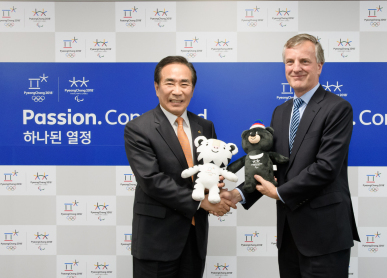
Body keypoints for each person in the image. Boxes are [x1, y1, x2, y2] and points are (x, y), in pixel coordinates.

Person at [222, 34, 360, 277]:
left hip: (325, 235)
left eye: (304, 61)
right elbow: (270, 167)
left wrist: (280, 192)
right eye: (290, 62)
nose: (296, 68)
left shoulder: (338, 108)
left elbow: (326, 167)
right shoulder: (281, 112)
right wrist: (239, 193)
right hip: (289, 235)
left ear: (319, 66)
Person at [124, 56, 236, 278]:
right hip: (156, 241)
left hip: (194, 239)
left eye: (184, 84)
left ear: (192, 89)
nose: (177, 91)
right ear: (157, 87)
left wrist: (217, 188)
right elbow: (152, 181)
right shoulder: (139, 128)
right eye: (170, 83)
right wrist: (201, 203)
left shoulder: (205, 126)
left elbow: (211, 169)